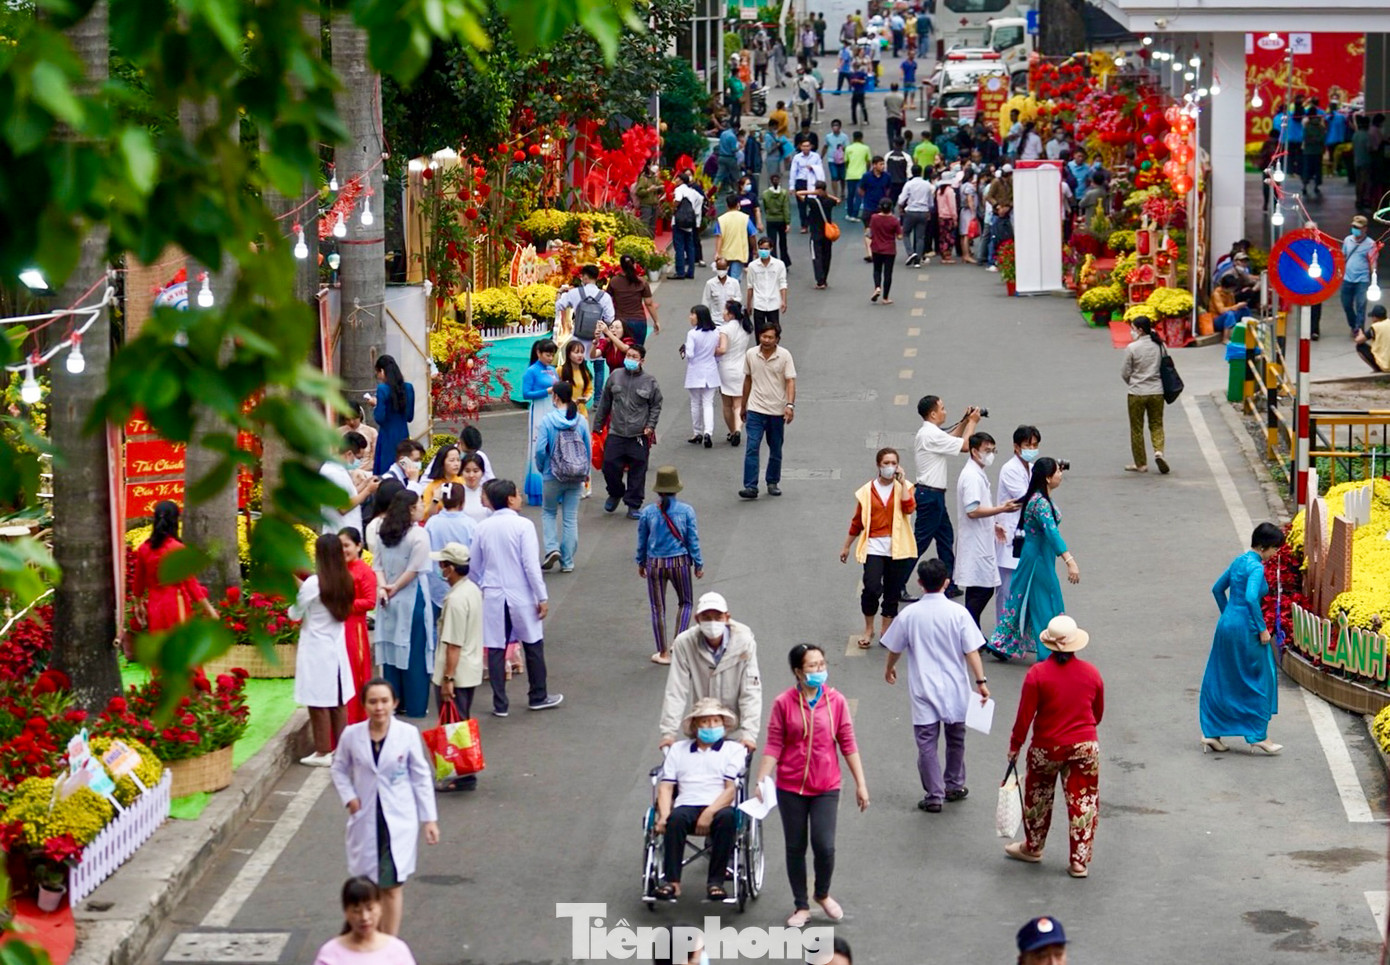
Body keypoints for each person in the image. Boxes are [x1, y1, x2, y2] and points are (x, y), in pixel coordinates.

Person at [756, 643, 869, 927]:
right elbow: (774, 743)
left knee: (824, 845)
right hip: (790, 786)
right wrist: (762, 779)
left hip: (826, 786)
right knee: (795, 846)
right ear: (798, 671)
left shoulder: (836, 701)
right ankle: (801, 905)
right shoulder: (783, 703)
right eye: (812, 666)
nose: (819, 670)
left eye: (821, 664)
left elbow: (847, 743)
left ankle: (822, 893)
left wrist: (860, 784)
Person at [330, 678, 438, 936]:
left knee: (391, 886)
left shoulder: (407, 734)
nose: (379, 707)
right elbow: (338, 768)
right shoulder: (351, 735)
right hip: (365, 816)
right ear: (365, 705)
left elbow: (421, 777)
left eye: (384, 701)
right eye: (373, 702)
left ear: (394, 703)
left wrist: (429, 820)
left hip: (398, 820)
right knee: (367, 887)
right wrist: (349, 796)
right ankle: (366, 936)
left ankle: (389, 944)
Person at [882, 558, 990, 813]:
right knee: (956, 738)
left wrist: (889, 668)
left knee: (927, 743)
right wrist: (981, 681)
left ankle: (934, 795)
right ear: (947, 583)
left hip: (923, 688)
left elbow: (895, 647)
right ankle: (953, 784)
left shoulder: (909, 614)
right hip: (956, 688)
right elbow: (971, 651)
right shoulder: (959, 613)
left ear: (919, 583)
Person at [1005, 615, 1104, 878]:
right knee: (1083, 801)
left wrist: (1015, 745)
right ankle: (1079, 862)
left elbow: (1025, 716)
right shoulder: (1091, 673)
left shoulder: (1037, 674)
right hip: (1084, 745)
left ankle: (1033, 847)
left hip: (1046, 747)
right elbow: (1098, 714)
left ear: (1048, 644)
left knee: (1038, 794)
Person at [469, 479, 561, 715]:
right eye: (518, 494)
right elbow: (531, 565)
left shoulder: (482, 527)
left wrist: (481, 587)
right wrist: (542, 596)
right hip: (520, 592)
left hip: (492, 592)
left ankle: (500, 703)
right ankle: (537, 695)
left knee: (496, 646)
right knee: (532, 643)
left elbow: (474, 566)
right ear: (510, 499)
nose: (520, 497)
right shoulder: (523, 526)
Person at [1198, 522, 1287, 756]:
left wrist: (1228, 615)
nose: (1276, 553)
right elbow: (1250, 598)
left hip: (1227, 625)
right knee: (1260, 679)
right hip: (1246, 628)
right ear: (1266, 546)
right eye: (1275, 548)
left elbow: (1217, 589)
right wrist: (1262, 629)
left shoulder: (1239, 561)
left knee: (1223, 677)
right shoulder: (1256, 568)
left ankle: (1211, 732)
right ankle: (1259, 736)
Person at [651, 697, 747, 903]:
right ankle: (672, 882)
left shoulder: (735, 750)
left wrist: (709, 812)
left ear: (723, 724)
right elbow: (666, 786)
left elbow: (731, 789)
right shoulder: (678, 749)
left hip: (719, 805)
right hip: (687, 803)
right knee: (674, 819)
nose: (711, 726)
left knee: (727, 818)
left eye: (715, 721)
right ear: (695, 726)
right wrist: (664, 816)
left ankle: (716, 882)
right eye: (705, 721)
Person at [988, 458, 1079, 662]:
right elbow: (1052, 533)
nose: (1060, 474)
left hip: (1039, 556)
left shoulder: (1040, 498)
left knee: (1028, 599)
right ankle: (1050, 649)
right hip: (1037, 559)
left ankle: (1004, 643)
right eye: (1057, 472)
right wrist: (1069, 560)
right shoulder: (1040, 503)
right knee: (1045, 600)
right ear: (1047, 478)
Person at [658, 591, 762, 749]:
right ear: (697, 619)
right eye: (706, 618)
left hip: (733, 722)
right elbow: (676, 688)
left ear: (727, 617)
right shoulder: (685, 643)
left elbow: (751, 690)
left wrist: (749, 734)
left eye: (718, 617)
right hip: (703, 721)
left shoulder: (744, 642)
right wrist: (669, 733)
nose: (712, 622)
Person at [839, 447, 917, 649]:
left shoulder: (905, 486)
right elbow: (858, 521)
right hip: (874, 546)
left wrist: (902, 485)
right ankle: (869, 628)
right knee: (872, 588)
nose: (890, 467)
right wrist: (847, 546)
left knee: (892, 591)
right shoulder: (867, 491)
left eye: (893, 463)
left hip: (898, 547)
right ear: (878, 465)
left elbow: (909, 508)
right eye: (886, 463)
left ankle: (887, 630)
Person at [292, 533, 358, 766]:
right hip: (336, 646)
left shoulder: (314, 583)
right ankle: (341, 750)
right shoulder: (345, 580)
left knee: (317, 700)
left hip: (316, 647)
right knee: (337, 700)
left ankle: (322, 751)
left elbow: (295, 612)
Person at [372, 490, 435, 718]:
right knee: (415, 650)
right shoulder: (418, 534)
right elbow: (415, 569)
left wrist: (384, 587)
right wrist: (395, 587)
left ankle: (393, 702)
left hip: (386, 598)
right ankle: (415, 704)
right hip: (411, 595)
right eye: (420, 503)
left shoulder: (382, 531)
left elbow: (377, 565)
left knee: (390, 648)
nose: (422, 507)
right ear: (410, 508)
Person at [912, 395, 981, 596]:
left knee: (945, 538)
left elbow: (952, 438)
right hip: (930, 496)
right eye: (942, 408)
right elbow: (965, 446)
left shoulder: (931, 432)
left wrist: (965, 421)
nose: (945, 411)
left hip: (934, 496)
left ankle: (949, 583)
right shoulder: (929, 434)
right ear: (933, 413)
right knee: (920, 542)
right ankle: (896, 581)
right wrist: (973, 424)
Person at [429, 542, 483, 790]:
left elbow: (453, 644)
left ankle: (463, 775)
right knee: (459, 722)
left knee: (455, 724)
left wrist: (448, 679)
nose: (440, 569)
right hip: (469, 669)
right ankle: (462, 772)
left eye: (442, 565)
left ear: (450, 568)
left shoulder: (456, 599)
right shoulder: (471, 590)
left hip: (456, 672)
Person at [637, 466, 704, 665]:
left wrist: (641, 562)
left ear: (657, 490)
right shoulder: (686, 511)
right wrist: (698, 564)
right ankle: (678, 642)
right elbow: (693, 539)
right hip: (680, 562)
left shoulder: (648, 512)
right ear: (676, 489)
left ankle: (663, 652)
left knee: (657, 608)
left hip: (655, 563)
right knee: (686, 602)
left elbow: (642, 541)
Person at [953, 432, 1019, 627]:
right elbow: (972, 510)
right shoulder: (972, 476)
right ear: (974, 451)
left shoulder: (976, 473)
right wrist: (1002, 509)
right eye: (986, 451)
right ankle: (968, 631)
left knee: (978, 589)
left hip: (981, 538)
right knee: (981, 589)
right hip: (975, 543)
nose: (990, 455)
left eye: (993, 451)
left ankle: (972, 633)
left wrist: (993, 525)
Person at [592, 342, 662, 519]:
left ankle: (633, 504)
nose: (630, 359)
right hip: (615, 432)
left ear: (642, 361)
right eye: (628, 356)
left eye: (634, 357)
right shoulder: (615, 376)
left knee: (638, 471)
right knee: (609, 466)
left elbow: (656, 405)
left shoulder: (649, 382)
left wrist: (650, 426)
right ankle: (615, 492)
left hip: (638, 435)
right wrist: (597, 426)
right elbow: (605, 402)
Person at [131, 501, 219, 632]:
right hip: (176, 605)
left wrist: (138, 604)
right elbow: (191, 584)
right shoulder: (177, 548)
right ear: (175, 521)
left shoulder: (144, 548)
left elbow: (138, 582)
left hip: (155, 606)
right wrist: (209, 609)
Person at [533, 380, 592, 573]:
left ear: (555, 397)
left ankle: (551, 549)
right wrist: (585, 473)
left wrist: (543, 468)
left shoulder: (548, 421)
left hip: (553, 473)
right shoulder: (580, 420)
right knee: (570, 517)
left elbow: (541, 449)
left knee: (549, 512)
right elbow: (587, 450)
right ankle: (567, 561)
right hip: (576, 475)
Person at [739, 325, 797, 499]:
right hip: (756, 409)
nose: (766, 340)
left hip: (776, 411)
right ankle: (750, 486)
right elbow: (748, 380)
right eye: (764, 337)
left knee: (775, 448)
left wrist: (789, 405)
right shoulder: (751, 354)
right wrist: (743, 405)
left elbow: (790, 382)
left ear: (777, 339)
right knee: (752, 447)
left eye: (770, 337)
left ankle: (772, 481)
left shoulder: (784, 356)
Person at [312, 876, 417, 965]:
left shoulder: (397, 950)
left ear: (380, 908)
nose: (364, 917)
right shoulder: (330, 953)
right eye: (356, 911)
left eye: (370, 909)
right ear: (346, 912)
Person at [995, 426, 1039, 623]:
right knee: (1008, 588)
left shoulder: (1030, 468)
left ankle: (1021, 636)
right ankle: (1003, 635)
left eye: (1035, 445)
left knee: (1024, 588)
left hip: (1024, 533)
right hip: (1010, 532)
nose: (1031, 448)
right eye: (1027, 445)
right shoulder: (1010, 469)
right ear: (1016, 446)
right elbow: (1026, 497)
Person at [338, 527, 377, 726]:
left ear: (358, 546)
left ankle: (357, 722)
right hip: (336, 628)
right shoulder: (335, 570)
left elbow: (370, 602)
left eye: (347, 545)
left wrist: (347, 605)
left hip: (355, 631)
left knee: (355, 676)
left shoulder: (364, 571)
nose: (343, 550)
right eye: (340, 546)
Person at [1121, 316, 1169, 474]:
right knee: (1156, 424)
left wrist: (1133, 382)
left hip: (1137, 392)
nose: (1131, 331)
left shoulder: (1132, 348)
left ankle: (1141, 464)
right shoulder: (1160, 346)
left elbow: (1125, 372)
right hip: (1157, 391)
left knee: (1137, 429)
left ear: (1140, 330)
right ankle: (1158, 452)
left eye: (1133, 328)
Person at [422, 482, 476, 613]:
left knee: (435, 625)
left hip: (436, 578)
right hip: (462, 578)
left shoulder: (432, 523)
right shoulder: (470, 524)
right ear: (462, 502)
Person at [520, 338, 559, 506]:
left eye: (552, 355)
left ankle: (555, 488)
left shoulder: (552, 370)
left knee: (554, 446)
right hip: (538, 411)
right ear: (539, 353)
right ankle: (536, 490)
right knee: (538, 447)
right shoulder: (531, 371)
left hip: (553, 409)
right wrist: (547, 391)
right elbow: (526, 394)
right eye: (547, 355)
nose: (550, 358)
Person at [682, 305, 725, 448]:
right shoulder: (715, 332)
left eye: (692, 314)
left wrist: (684, 352)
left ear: (698, 317)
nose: (690, 317)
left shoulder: (692, 334)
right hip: (710, 369)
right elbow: (717, 352)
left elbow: (690, 354)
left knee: (695, 403)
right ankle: (708, 432)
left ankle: (697, 431)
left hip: (695, 370)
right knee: (708, 403)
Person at [367, 355, 415, 477]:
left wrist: (375, 404)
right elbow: (409, 416)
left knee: (385, 472)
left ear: (382, 371)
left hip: (387, 437)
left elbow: (379, 418)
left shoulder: (382, 389)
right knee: (404, 471)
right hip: (403, 435)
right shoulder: (408, 388)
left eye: (377, 373)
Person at [716, 300, 754, 446]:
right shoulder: (745, 327)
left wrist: (713, 351)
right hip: (741, 366)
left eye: (725, 311)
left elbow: (723, 349)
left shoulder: (724, 330)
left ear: (730, 313)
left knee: (727, 404)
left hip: (726, 367)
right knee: (739, 403)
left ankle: (732, 431)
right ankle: (738, 429)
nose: (723, 313)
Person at [605, 255, 659, 346]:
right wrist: (656, 321)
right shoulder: (642, 282)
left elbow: (607, 300)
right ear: (634, 265)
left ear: (621, 266)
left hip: (620, 322)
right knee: (637, 352)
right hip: (638, 321)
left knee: (620, 351)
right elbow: (649, 303)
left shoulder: (614, 281)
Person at [796, 180, 839, 289]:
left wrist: (813, 192)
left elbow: (798, 193)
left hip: (816, 234)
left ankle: (820, 281)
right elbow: (838, 200)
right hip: (827, 234)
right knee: (826, 256)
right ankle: (824, 279)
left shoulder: (812, 202)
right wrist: (825, 193)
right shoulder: (829, 201)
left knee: (817, 257)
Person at [744, 237, 788, 334]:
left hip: (773, 303)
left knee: (775, 331)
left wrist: (784, 300)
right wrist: (748, 304)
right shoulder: (752, 266)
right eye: (761, 249)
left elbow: (782, 283)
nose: (763, 251)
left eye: (766, 249)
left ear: (771, 249)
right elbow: (750, 286)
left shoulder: (779, 265)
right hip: (759, 303)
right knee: (759, 332)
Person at [1342, 214, 1374, 336]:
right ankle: (1353, 324)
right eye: (1354, 227)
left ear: (1365, 228)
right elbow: (1343, 256)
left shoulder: (1370, 244)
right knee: (1346, 304)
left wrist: (1373, 280)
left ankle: (1358, 329)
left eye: (1358, 227)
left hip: (1362, 279)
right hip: (1347, 279)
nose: (1355, 229)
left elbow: (1373, 262)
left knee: (1361, 305)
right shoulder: (1347, 240)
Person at [866, 198, 901, 304]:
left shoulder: (874, 218)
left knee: (877, 270)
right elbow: (899, 236)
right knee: (888, 273)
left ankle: (877, 287)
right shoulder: (894, 220)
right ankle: (885, 297)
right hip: (889, 249)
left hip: (876, 248)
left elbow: (870, 231)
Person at [897, 165, 932, 267]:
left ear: (912, 172)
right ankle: (918, 261)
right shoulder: (927, 184)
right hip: (923, 211)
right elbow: (930, 202)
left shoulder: (909, 184)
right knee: (920, 237)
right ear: (921, 172)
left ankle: (911, 253)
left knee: (906, 233)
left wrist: (901, 208)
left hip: (911, 211)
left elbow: (901, 200)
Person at [714, 195, 756, 280]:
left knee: (725, 278)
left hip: (725, 254)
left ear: (727, 205)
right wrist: (755, 249)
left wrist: (717, 252)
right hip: (739, 253)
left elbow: (719, 237)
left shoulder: (721, 219)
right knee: (735, 279)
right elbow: (752, 235)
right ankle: (732, 293)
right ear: (738, 204)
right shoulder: (745, 218)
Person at [671, 172, 704, 280]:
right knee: (690, 246)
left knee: (679, 246)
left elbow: (678, 199)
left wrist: (673, 208)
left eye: (677, 179)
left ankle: (680, 271)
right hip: (690, 221)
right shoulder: (692, 191)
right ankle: (691, 272)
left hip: (679, 221)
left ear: (680, 180)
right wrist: (696, 212)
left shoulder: (679, 189)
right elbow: (701, 199)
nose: (675, 181)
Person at [789, 140, 826, 233]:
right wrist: (791, 186)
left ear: (811, 147)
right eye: (804, 146)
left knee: (813, 204)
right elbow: (793, 171)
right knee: (801, 205)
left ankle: (810, 221)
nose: (806, 148)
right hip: (801, 182)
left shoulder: (816, 156)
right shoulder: (797, 158)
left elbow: (820, 169)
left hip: (812, 182)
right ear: (800, 147)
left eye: (807, 146)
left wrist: (813, 167)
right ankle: (804, 225)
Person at [420, 444, 464, 518]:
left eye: (458, 460)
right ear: (442, 462)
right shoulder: (432, 486)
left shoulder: (463, 482)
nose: (456, 464)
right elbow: (425, 515)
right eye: (452, 460)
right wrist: (435, 499)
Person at [761, 173, 793, 268]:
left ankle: (773, 262)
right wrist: (787, 222)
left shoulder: (765, 194)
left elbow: (765, 207)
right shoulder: (784, 193)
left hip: (770, 220)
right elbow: (786, 208)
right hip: (781, 220)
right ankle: (785, 263)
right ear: (779, 181)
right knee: (783, 243)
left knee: (772, 242)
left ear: (770, 181)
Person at [340, 401, 379, 473]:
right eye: (348, 419)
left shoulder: (371, 432)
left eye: (354, 418)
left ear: (360, 415)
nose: (351, 422)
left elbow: (375, 458)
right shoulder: (338, 433)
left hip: (366, 472)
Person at [844, 132, 871, 222]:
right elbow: (868, 161)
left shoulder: (848, 148)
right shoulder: (865, 148)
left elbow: (846, 162)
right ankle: (855, 215)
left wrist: (848, 169)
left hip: (850, 175)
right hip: (861, 175)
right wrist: (867, 171)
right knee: (859, 195)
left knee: (850, 195)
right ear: (861, 138)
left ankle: (849, 213)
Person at [1355, 304, 1390, 371]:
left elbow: (1359, 340)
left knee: (1360, 346)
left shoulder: (1375, 327)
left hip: (1385, 365)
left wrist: (1360, 333)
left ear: (1375, 317)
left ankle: (1377, 369)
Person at [457, 453, 490, 523]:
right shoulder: (456, 493)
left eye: (475, 471)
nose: (471, 475)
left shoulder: (489, 493)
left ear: (482, 472)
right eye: (467, 471)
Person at [934, 172, 959, 263]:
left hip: (941, 216)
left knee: (943, 236)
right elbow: (952, 206)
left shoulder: (939, 191)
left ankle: (943, 255)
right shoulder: (950, 191)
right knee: (950, 237)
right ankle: (948, 256)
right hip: (949, 217)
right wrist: (955, 217)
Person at [823, 119, 848, 198]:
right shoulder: (828, 137)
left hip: (842, 160)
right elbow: (825, 146)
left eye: (836, 125)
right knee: (834, 177)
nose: (835, 127)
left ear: (840, 127)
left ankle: (843, 191)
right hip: (832, 160)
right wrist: (821, 157)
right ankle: (835, 194)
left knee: (842, 177)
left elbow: (847, 148)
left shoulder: (844, 137)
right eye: (833, 126)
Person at [883, 83, 906, 148]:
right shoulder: (901, 96)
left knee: (890, 134)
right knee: (898, 134)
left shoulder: (887, 96)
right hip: (898, 117)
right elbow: (902, 106)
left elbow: (885, 105)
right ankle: (898, 147)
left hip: (890, 116)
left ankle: (891, 148)